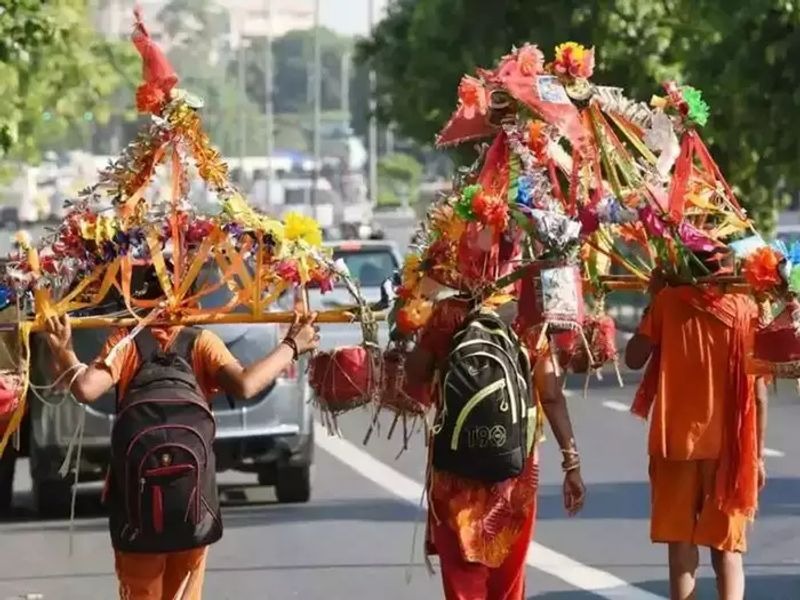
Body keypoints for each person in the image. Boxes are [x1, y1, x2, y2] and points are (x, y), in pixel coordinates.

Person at [43, 305, 320, 600]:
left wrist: (65, 351)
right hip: (192, 501)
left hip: (136, 506)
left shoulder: (125, 342)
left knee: (141, 592)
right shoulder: (202, 342)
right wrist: (293, 345)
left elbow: (86, 389)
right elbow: (246, 384)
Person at [407, 294, 585, 600]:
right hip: (515, 472)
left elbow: (415, 372)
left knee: (463, 581)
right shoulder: (528, 316)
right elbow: (552, 396)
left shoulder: (449, 312)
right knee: (507, 583)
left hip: (454, 472)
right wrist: (572, 464)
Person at [625, 259, 767, 600]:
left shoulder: (668, 302)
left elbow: (633, 358)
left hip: (675, 443)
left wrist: (654, 298)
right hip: (731, 450)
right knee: (728, 551)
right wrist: (757, 456)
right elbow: (759, 396)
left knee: (681, 549)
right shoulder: (746, 308)